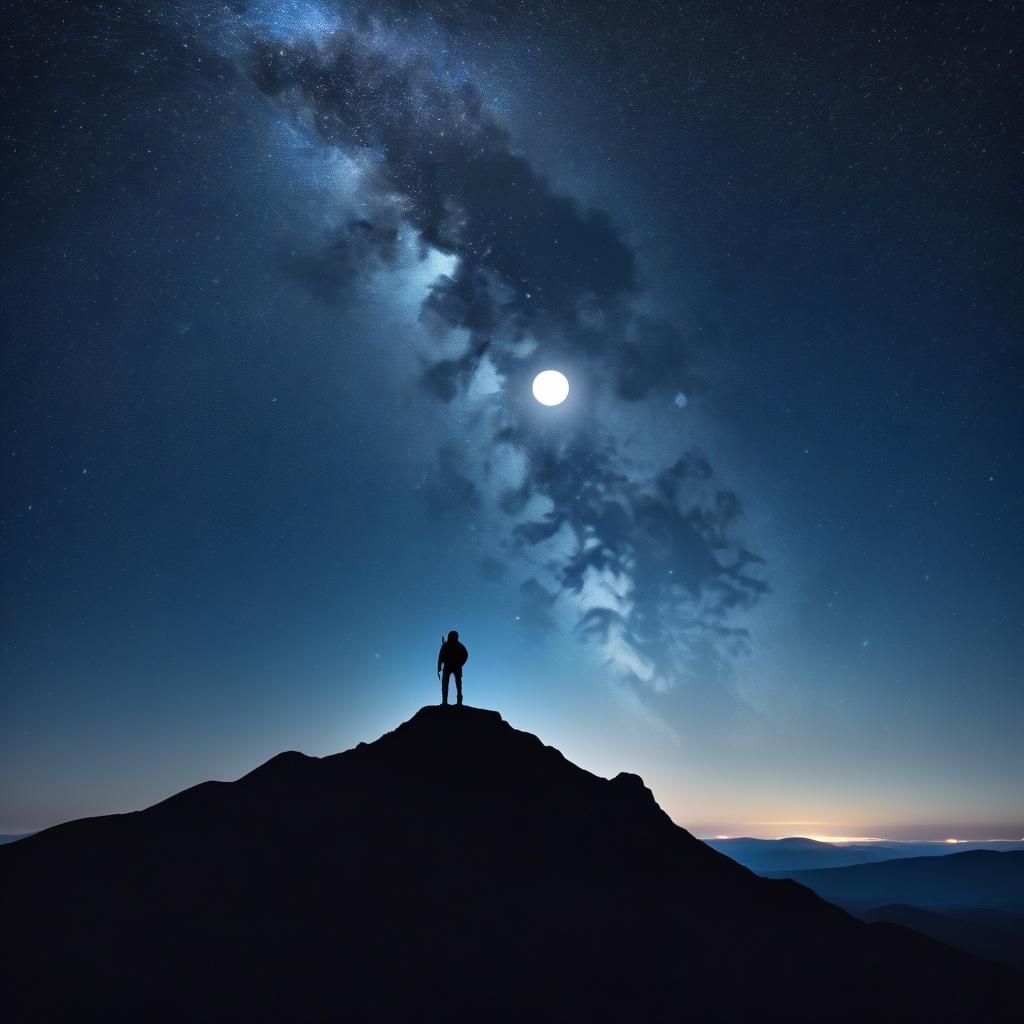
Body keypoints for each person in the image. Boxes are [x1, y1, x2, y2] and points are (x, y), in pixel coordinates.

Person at [437, 630, 469, 706]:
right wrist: (439, 667)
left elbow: (465, 655)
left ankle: (459, 701)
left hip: (457, 667)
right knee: (445, 683)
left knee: (458, 684)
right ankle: (444, 701)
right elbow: (440, 657)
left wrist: (460, 664)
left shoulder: (459, 646)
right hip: (447, 666)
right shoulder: (445, 646)